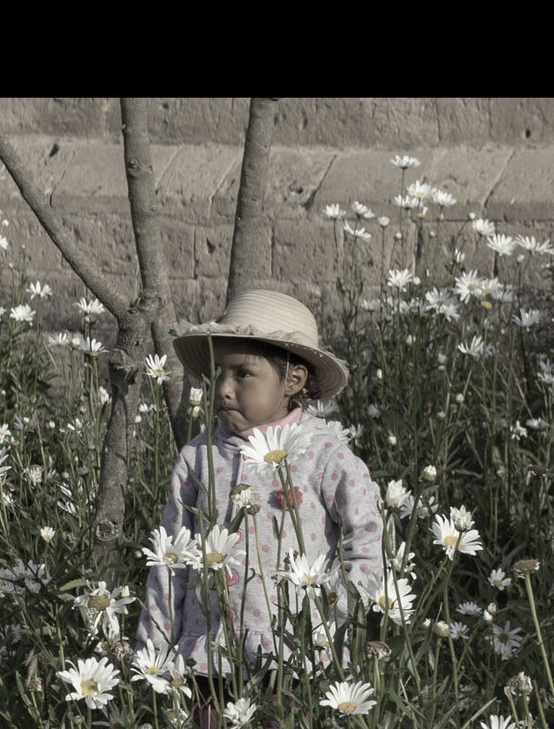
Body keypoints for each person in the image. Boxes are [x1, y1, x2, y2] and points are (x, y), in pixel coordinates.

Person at [138, 289, 385, 702]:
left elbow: (368, 538)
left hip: (299, 657)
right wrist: (153, 657)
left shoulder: (323, 456)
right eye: (217, 373)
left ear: (293, 379)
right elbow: (170, 560)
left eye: (242, 374)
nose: (224, 389)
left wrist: (332, 617)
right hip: (207, 660)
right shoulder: (199, 457)